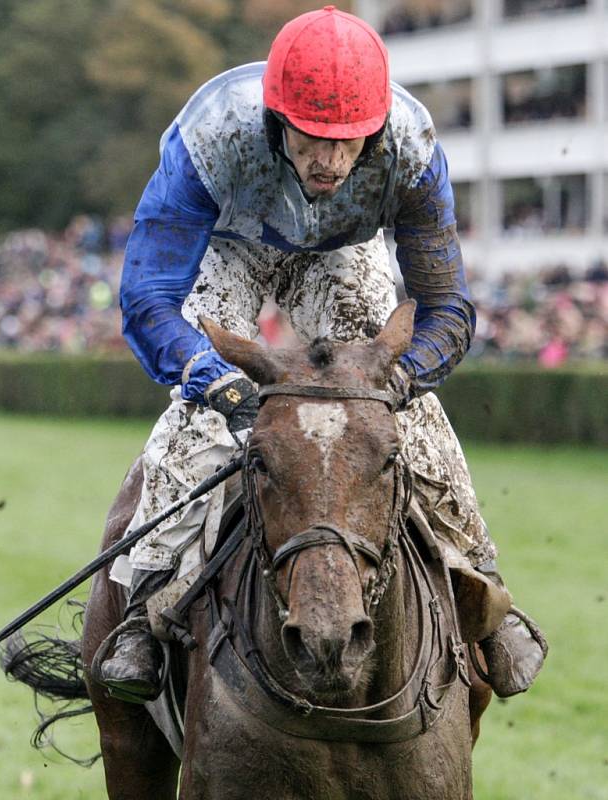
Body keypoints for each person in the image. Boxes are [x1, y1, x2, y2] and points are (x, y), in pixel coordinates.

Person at [100, 6, 545, 702]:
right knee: (198, 414)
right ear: (279, 119)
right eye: (313, 138)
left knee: (407, 414)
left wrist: (400, 378)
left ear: (374, 130)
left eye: (349, 142)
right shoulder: (211, 136)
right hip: (231, 248)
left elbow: (446, 307)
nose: (330, 161)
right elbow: (149, 297)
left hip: (343, 256)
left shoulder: (412, 146)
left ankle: (484, 588)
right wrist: (214, 381)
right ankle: (143, 603)